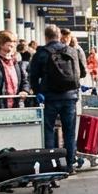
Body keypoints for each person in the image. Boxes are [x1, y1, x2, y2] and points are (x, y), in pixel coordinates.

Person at [28, 25, 80, 170]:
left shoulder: (41, 53)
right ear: (59, 36)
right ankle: (70, 164)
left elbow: (33, 76)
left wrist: (39, 92)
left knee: (49, 130)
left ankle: (50, 164)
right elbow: (80, 72)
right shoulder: (71, 50)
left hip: (49, 98)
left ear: (46, 37)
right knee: (69, 132)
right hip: (69, 97)